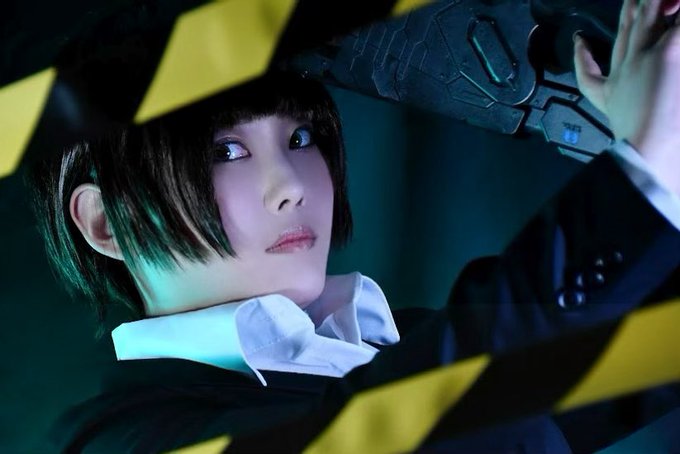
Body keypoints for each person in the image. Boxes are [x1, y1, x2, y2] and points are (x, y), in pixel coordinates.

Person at [28, 0, 680, 451]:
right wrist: (644, 164)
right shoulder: (123, 441)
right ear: (105, 223)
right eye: (224, 151)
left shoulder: (399, 348)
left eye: (301, 137)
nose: (291, 185)